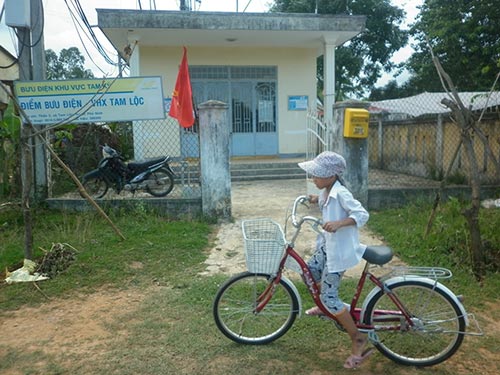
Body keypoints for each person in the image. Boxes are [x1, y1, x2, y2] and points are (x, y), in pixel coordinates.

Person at [298, 151, 373, 369]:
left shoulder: (341, 193)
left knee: (330, 297)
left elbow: (362, 214)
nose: (313, 179)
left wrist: (340, 223)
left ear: (331, 176)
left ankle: (357, 337)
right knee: (308, 272)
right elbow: (324, 202)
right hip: (327, 247)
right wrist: (313, 198)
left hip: (338, 252)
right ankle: (325, 304)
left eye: (317, 175)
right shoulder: (327, 190)